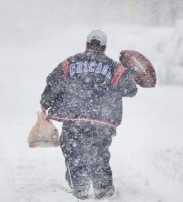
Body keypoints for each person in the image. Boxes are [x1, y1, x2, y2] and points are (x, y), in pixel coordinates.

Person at [40, 30, 138, 200]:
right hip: (103, 120)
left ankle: (80, 188)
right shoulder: (114, 68)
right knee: (99, 153)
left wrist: (45, 102)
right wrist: (129, 73)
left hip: (74, 118)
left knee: (73, 153)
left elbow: (53, 81)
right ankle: (103, 190)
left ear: (86, 44)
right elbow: (130, 90)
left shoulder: (69, 63)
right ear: (104, 47)